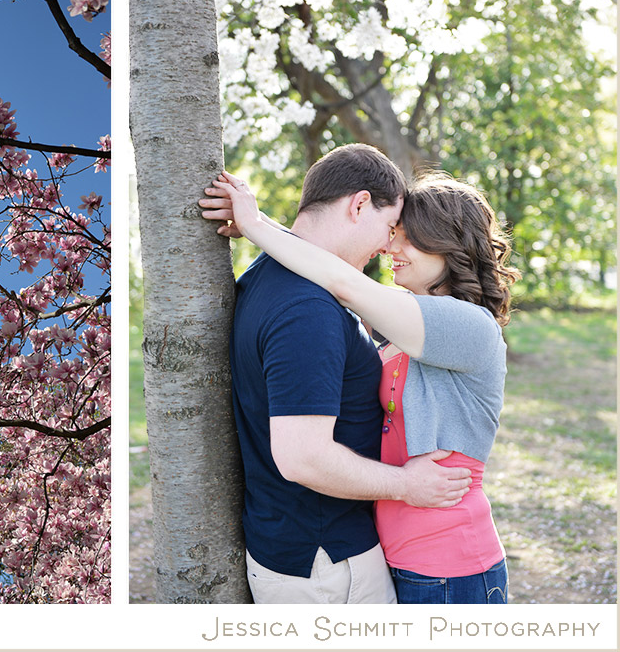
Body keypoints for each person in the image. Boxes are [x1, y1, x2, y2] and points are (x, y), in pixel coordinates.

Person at [202, 164, 520, 605]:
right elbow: (323, 264)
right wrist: (263, 229)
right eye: (394, 229)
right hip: (396, 555)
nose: (392, 245)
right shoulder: (405, 315)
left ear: (450, 247)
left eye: (408, 234)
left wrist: (256, 223)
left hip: (449, 559)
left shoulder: (468, 327)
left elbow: (342, 282)